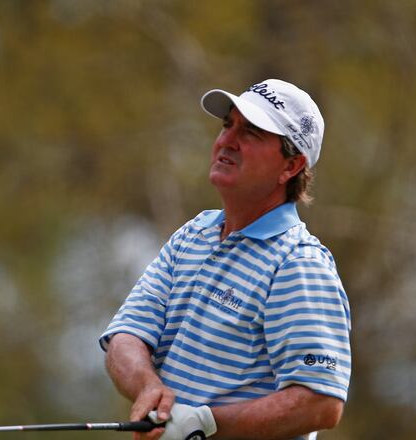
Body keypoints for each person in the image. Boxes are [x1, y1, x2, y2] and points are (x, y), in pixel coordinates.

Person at [99, 78, 351, 440]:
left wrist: (205, 424)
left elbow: (321, 403)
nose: (226, 141)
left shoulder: (299, 264)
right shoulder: (194, 234)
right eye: (227, 125)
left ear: (290, 166)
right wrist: (147, 387)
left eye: (251, 133)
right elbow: (127, 334)